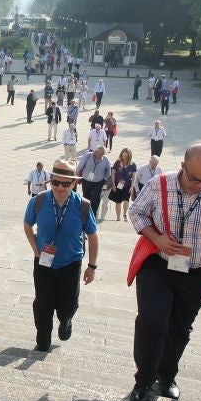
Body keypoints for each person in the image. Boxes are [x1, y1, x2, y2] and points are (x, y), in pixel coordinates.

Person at [126, 144, 201, 401]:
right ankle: (143, 381)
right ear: (183, 167)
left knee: (179, 328)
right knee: (152, 322)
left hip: (196, 273)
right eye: (195, 179)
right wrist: (156, 238)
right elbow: (137, 212)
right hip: (158, 266)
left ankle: (166, 377)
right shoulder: (160, 184)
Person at [23, 159, 98, 352]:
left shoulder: (83, 206)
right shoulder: (38, 201)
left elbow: (93, 235)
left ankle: (66, 320)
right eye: (56, 182)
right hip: (43, 262)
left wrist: (92, 266)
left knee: (68, 305)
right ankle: (43, 341)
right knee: (43, 304)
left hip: (70, 263)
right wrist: (36, 250)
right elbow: (27, 224)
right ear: (51, 181)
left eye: (66, 183)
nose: (60, 187)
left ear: (74, 184)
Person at [75, 146, 111, 217]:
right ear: (95, 152)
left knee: (96, 198)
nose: (100, 156)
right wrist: (76, 176)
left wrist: (105, 180)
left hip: (98, 182)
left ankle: (93, 214)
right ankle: (84, 214)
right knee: (86, 197)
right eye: (99, 154)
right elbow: (80, 166)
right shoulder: (87, 156)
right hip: (86, 181)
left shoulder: (105, 159)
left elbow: (108, 171)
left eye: (102, 155)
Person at [108, 148, 137, 221]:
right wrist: (113, 185)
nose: (124, 157)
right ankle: (118, 217)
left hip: (127, 185)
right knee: (118, 201)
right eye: (123, 155)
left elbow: (134, 177)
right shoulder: (117, 162)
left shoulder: (133, 165)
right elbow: (113, 173)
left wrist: (131, 186)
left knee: (126, 200)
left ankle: (125, 214)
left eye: (126, 156)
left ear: (129, 156)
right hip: (118, 185)